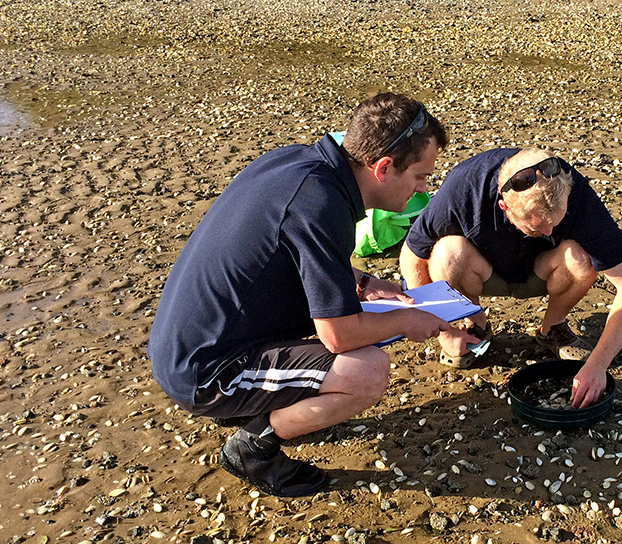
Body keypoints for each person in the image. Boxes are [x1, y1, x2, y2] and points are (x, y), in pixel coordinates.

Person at [148, 93, 473, 497]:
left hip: (187, 339)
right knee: (365, 372)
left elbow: (285, 251)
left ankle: (253, 402)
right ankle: (253, 447)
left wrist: (363, 282)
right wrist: (409, 320)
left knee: (352, 315)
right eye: (421, 177)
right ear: (384, 168)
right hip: (203, 371)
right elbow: (338, 336)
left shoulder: (300, 164)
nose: (424, 190)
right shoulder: (322, 205)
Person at [400, 148, 622, 409]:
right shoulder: (465, 186)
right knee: (446, 254)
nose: (548, 231)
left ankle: (553, 328)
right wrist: (444, 331)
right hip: (482, 271)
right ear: (504, 205)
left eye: (555, 222)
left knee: (580, 257)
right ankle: (476, 326)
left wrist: (598, 365)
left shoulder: (576, 192)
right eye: (537, 227)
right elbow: (410, 256)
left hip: (544, 270)